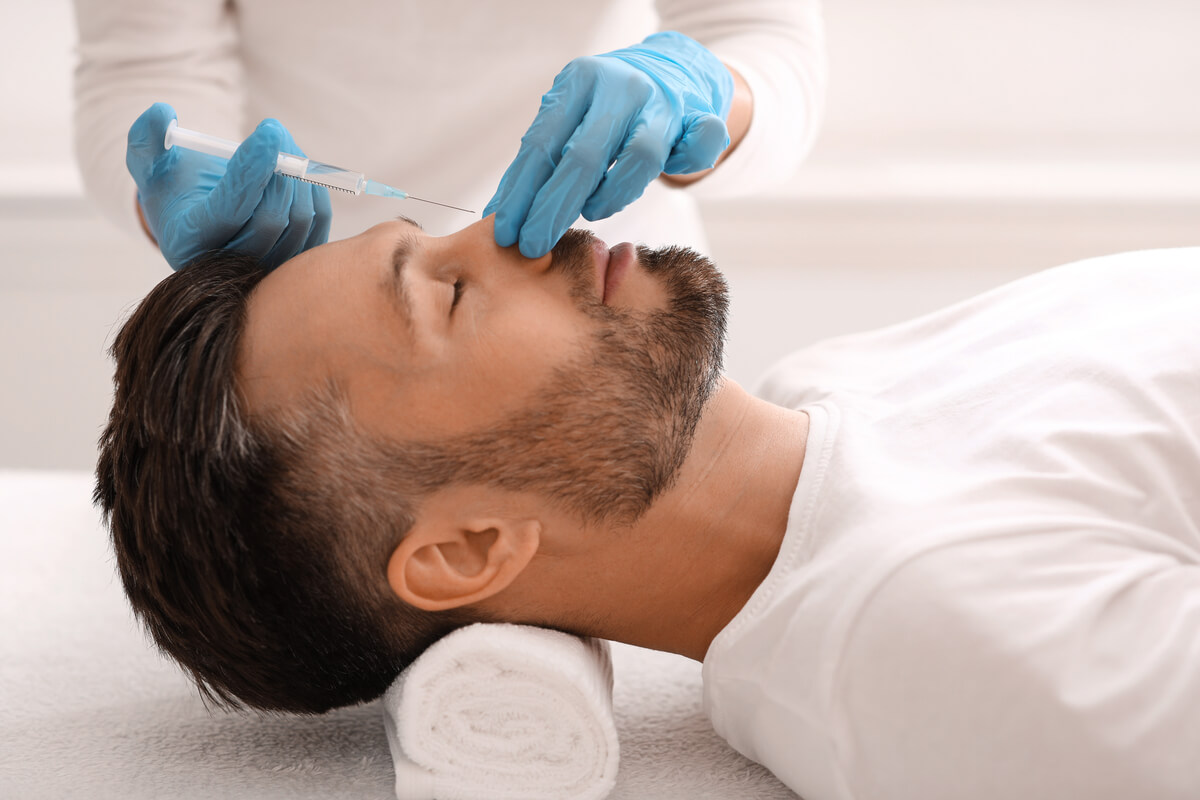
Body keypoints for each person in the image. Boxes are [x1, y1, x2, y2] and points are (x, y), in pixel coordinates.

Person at [95, 215, 1200, 799]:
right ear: (470, 546)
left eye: (432, 236)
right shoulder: (927, 629)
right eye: (449, 289)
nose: (511, 224)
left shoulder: (838, 384)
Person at [72, 1, 826, 269]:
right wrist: (166, 189)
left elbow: (761, 35)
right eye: (447, 296)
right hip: (301, 279)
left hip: (616, 235)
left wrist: (704, 96)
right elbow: (143, 64)